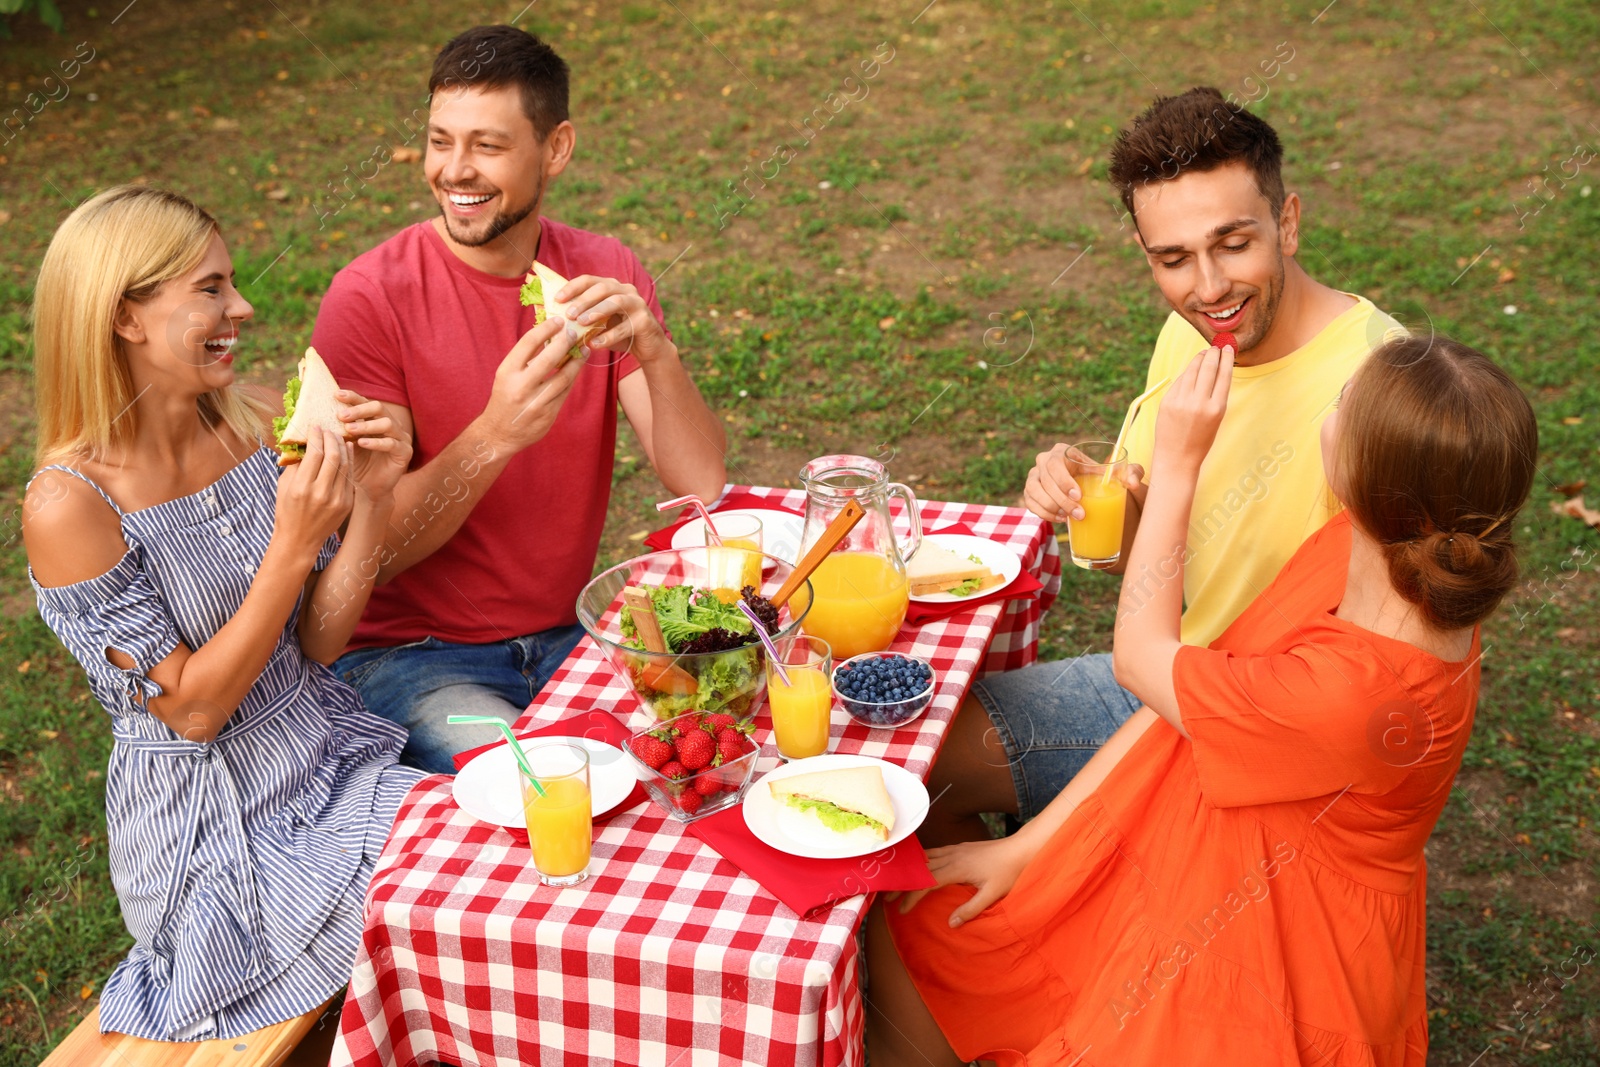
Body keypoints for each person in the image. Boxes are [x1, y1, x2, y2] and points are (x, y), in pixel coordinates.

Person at [866, 334, 1537, 1065]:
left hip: (1268, 961)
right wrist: (1026, 847)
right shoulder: (1368, 550)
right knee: (919, 936)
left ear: (1367, 478)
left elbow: (1143, 659)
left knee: (919, 956)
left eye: (1345, 399)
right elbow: (1179, 698)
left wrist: (1181, 462)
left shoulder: (1359, 696)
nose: (1332, 401)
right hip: (1200, 859)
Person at [922, 86, 1405, 846]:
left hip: (1259, 732)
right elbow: (1139, 570)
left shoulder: (1377, 389)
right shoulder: (1193, 335)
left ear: (1288, 222)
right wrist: (1099, 502)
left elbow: (1376, 667)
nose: (1208, 288)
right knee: (921, 767)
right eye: (1174, 259)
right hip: (1164, 677)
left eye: (1234, 243)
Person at [22, 185, 425, 1041]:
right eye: (209, 288)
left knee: (478, 870)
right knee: (450, 907)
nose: (241, 306)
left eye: (231, 281)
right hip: (219, 834)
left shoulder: (246, 423)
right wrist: (291, 542)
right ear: (126, 316)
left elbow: (315, 643)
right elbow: (196, 711)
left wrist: (375, 499)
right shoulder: (71, 504)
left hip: (326, 756)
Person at [311, 24, 726, 774]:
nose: (453, 171)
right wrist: (494, 435)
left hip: (567, 634)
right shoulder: (371, 297)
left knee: (705, 755)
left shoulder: (601, 270)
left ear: (556, 149)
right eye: (441, 141)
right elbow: (379, 554)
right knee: (550, 790)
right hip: (413, 658)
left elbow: (699, 482)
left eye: (487, 146)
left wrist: (655, 353)